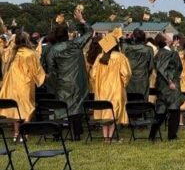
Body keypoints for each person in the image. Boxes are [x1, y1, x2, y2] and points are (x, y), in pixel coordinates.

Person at [46, 9, 93, 141]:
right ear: (67, 34)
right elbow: (89, 32)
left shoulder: (53, 50)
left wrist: (54, 84)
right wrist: (81, 20)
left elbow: (52, 69)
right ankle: (76, 134)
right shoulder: (76, 44)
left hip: (62, 81)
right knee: (76, 107)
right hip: (77, 81)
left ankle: (57, 134)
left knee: (61, 107)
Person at [0, 32, 46, 141]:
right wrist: (43, 78)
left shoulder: (12, 53)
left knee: (16, 108)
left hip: (12, 84)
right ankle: (24, 133)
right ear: (27, 40)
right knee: (27, 107)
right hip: (25, 84)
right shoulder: (30, 53)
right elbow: (36, 70)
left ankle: (16, 134)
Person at [87, 30, 132, 142]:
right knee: (113, 112)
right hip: (116, 88)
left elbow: (93, 75)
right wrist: (123, 84)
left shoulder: (99, 57)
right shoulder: (120, 57)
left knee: (105, 111)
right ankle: (110, 137)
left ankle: (105, 136)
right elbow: (126, 73)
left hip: (102, 89)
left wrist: (96, 86)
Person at [149, 33, 184, 141]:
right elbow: (162, 68)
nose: (170, 36)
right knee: (174, 110)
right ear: (165, 40)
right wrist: (170, 82)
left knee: (161, 110)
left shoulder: (160, 53)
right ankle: (172, 136)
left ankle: (152, 135)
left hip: (162, 85)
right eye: (167, 36)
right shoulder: (168, 53)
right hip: (169, 85)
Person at [122, 29, 154, 101]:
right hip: (143, 77)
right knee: (142, 101)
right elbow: (151, 66)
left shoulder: (127, 48)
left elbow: (122, 43)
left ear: (133, 38)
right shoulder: (149, 49)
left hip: (130, 77)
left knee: (130, 100)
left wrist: (128, 39)